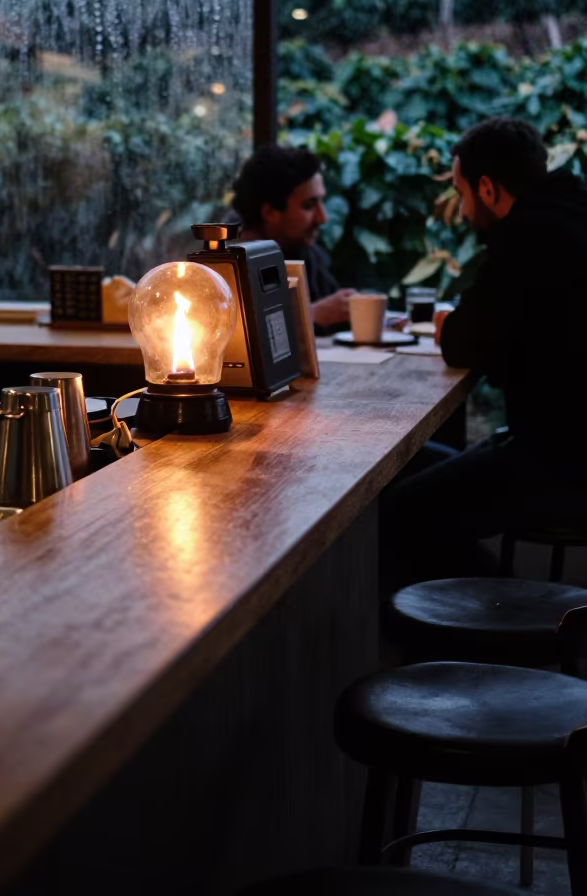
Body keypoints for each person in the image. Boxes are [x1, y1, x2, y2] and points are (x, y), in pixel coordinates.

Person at [381, 116, 587, 587]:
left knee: (396, 515)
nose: (463, 207)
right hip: (562, 446)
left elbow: (462, 342)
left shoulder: (528, 238)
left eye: (461, 193)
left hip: (562, 465)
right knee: (416, 464)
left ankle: (483, 637)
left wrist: (454, 323)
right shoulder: (572, 213)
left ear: (489, 189)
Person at [230, 145, 354, 330]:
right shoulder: (233, 269)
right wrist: (311, 315)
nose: (323, 218)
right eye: (309, 205)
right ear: (270, 213)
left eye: (321, 202)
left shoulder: (304, 253)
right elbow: (237, 334)